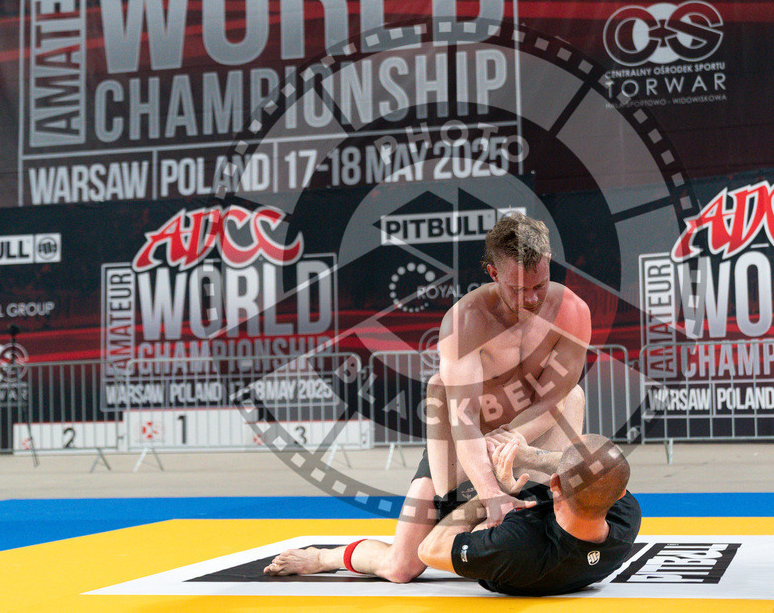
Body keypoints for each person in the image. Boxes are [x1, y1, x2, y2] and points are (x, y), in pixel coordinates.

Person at [265, 212, 592, 582]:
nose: (531, 298)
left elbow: (556, 396)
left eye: (540, 286)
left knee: (574, 399)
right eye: (519, 289)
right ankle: (328, 557)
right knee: (401, 567)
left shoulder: (572, 312)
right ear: (494, 274)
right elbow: (462, 418)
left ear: (548, 263)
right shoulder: (466, 320)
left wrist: (515, 439)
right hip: (463, 440)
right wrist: (489, 493)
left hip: (530, 432)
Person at [418, 433, 641, 596]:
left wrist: (492, 491)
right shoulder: (625, 517)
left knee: (399, 566)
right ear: (621, 493)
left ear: (555, 483)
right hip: (532, 510)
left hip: (477, 517)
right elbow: (600, 470)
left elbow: (429, 550)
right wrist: (528, 455)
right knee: (572, 396)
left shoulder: (515, 544)